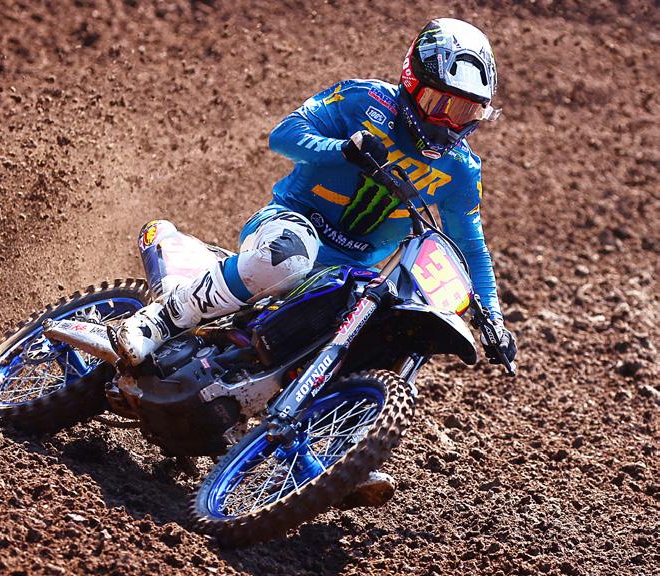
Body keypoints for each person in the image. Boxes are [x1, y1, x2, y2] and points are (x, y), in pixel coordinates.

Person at [113, 17, 517, 504]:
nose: (448, 122)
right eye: (440, 104)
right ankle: (159, 320)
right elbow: (284, 135)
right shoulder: (364, 101)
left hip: (350, 272)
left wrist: (492, 318)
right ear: (412, 82)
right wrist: (340, 149)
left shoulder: (461, 168)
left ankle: (341, 457)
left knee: (389, 332)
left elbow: (471, 245)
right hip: (292, 223)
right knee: (289, 257)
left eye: (465, 110)